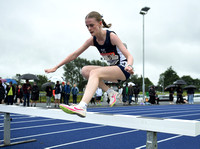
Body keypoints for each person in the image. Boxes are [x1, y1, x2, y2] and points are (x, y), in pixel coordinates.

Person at [45, 11, 134, 117]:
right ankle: (111, 92)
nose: (89, 29)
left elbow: (129, 56)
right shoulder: (92, 40)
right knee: (85, 70)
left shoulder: (111, 36)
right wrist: (56, 67)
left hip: (123, 69)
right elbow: (74, 55)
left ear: (100, 24)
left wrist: (129, 65)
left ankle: (82, 106)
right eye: (87, 26)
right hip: (112, 70)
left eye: (92, 25)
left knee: (95, 73)